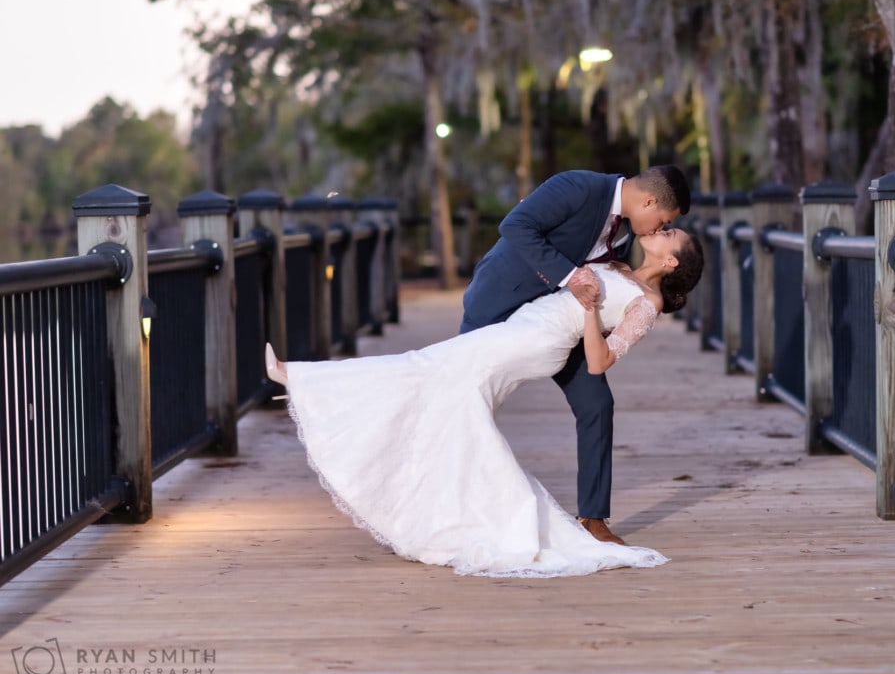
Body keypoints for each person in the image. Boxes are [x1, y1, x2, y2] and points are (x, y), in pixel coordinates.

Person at [266, 227, 704, 578]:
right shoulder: (618, 265)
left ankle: (304, 378)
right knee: (446, 396)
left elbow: (598, 361)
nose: (662, 229)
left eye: (671, 234)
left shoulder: (648, 302)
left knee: (425, 367)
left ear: (670, 262)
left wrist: (589, 308)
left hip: (539, 340)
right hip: (526, 322)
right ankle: (441, 510)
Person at [460, 166, 691, 546]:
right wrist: (571, 278)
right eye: (662, 221)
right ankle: (446, 507)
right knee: (466, 402)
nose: (654, 230)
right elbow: (515, 226)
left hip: (559, 324)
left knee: (597, 403)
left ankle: (593, 518)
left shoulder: (627, 226)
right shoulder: (578, 186)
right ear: (649, 201)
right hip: (500, 300)